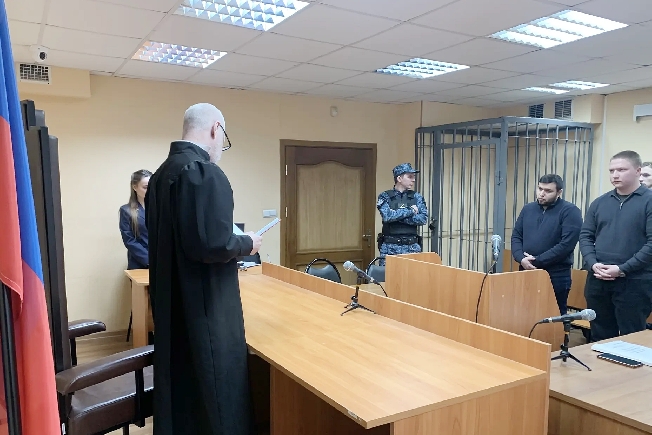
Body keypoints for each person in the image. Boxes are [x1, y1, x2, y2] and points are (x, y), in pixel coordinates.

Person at [145, 103, 263, 435]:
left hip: (172, 304)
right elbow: (213, 244)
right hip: (205, 310)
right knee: (216, 391)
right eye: (223, 137)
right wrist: (247, 243)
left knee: (182, 388)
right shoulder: (202, 173)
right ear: (215, 129)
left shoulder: (160, 175)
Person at [579, 150, 652, 342]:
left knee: (632, 337)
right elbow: (585, 236)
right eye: (612, 170)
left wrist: (622, 269)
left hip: (635, 281)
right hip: (598, 278)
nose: (615, 175)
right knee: (599, 334)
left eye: (621, 170)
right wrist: (593, 263)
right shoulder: (600, 202)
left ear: (638, 171)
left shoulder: (648, 201)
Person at [511, 174, 583, 315]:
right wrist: (521, 258)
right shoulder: (528, 209)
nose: (542, 193)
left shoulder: (570, 211)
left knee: (554, 314)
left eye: (548, 191)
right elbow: (516, 236)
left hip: (556, 274)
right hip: (526, 270)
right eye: (540, 189)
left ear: (559, 192)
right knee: (525, 313)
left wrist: (537, 261)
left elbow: (566, 245)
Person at [376, 163, 428, 266]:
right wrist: (410, 211)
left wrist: (397, 217)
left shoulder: (417, 197)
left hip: (412, 248)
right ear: (399, 178)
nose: (413, 180)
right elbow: (387, 216)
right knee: (388, 275)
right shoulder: (385, 196)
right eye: (410, 176)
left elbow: (423, 219)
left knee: (413, 276)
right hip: (390, 248)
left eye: (414, 177)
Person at [119, 169, 152, 270]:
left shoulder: (160, 209)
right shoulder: (126, 210)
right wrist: (150, 260)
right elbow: (129, 240)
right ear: (135, 187)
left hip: (162, 262)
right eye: (145, 187)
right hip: (140, 263)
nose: (150, 190)